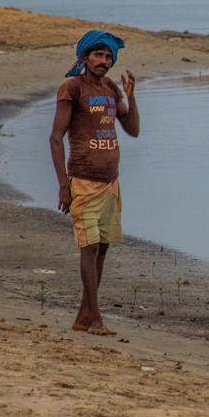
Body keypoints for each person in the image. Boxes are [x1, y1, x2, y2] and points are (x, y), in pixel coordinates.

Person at [50, 30, 139, 335]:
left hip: (110, 184)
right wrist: (64, 185)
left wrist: (131, 95)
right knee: (88, 250)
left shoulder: (111, 87)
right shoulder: (72, 88)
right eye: (98, 55)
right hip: (84, 183)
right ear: (84, 57)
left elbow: (133, 130)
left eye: (108, 56)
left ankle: (83, 317)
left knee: (101, 249)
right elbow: (55, 138)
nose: (104, 60)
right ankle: (96, 319)